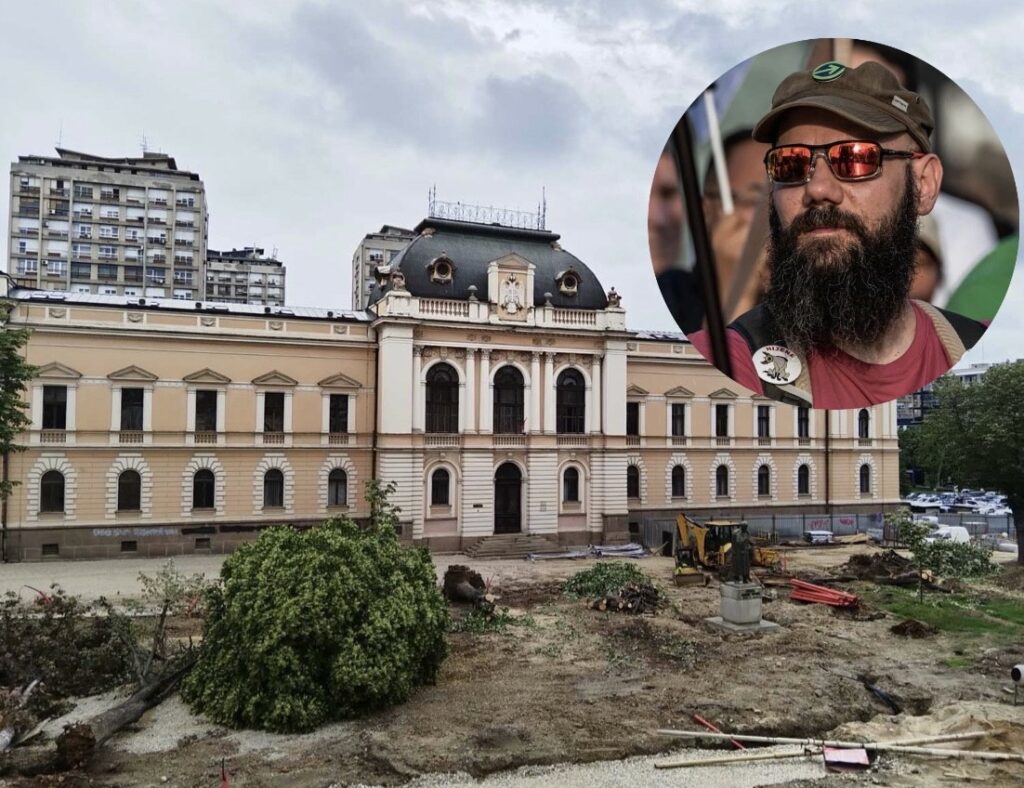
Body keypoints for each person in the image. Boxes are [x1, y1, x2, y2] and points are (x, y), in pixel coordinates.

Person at [688, 61, 985, 408]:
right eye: (791, 164)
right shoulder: (722, 361)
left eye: (854, 158)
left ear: (923, 184)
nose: (817, 189)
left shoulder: (978, 344)